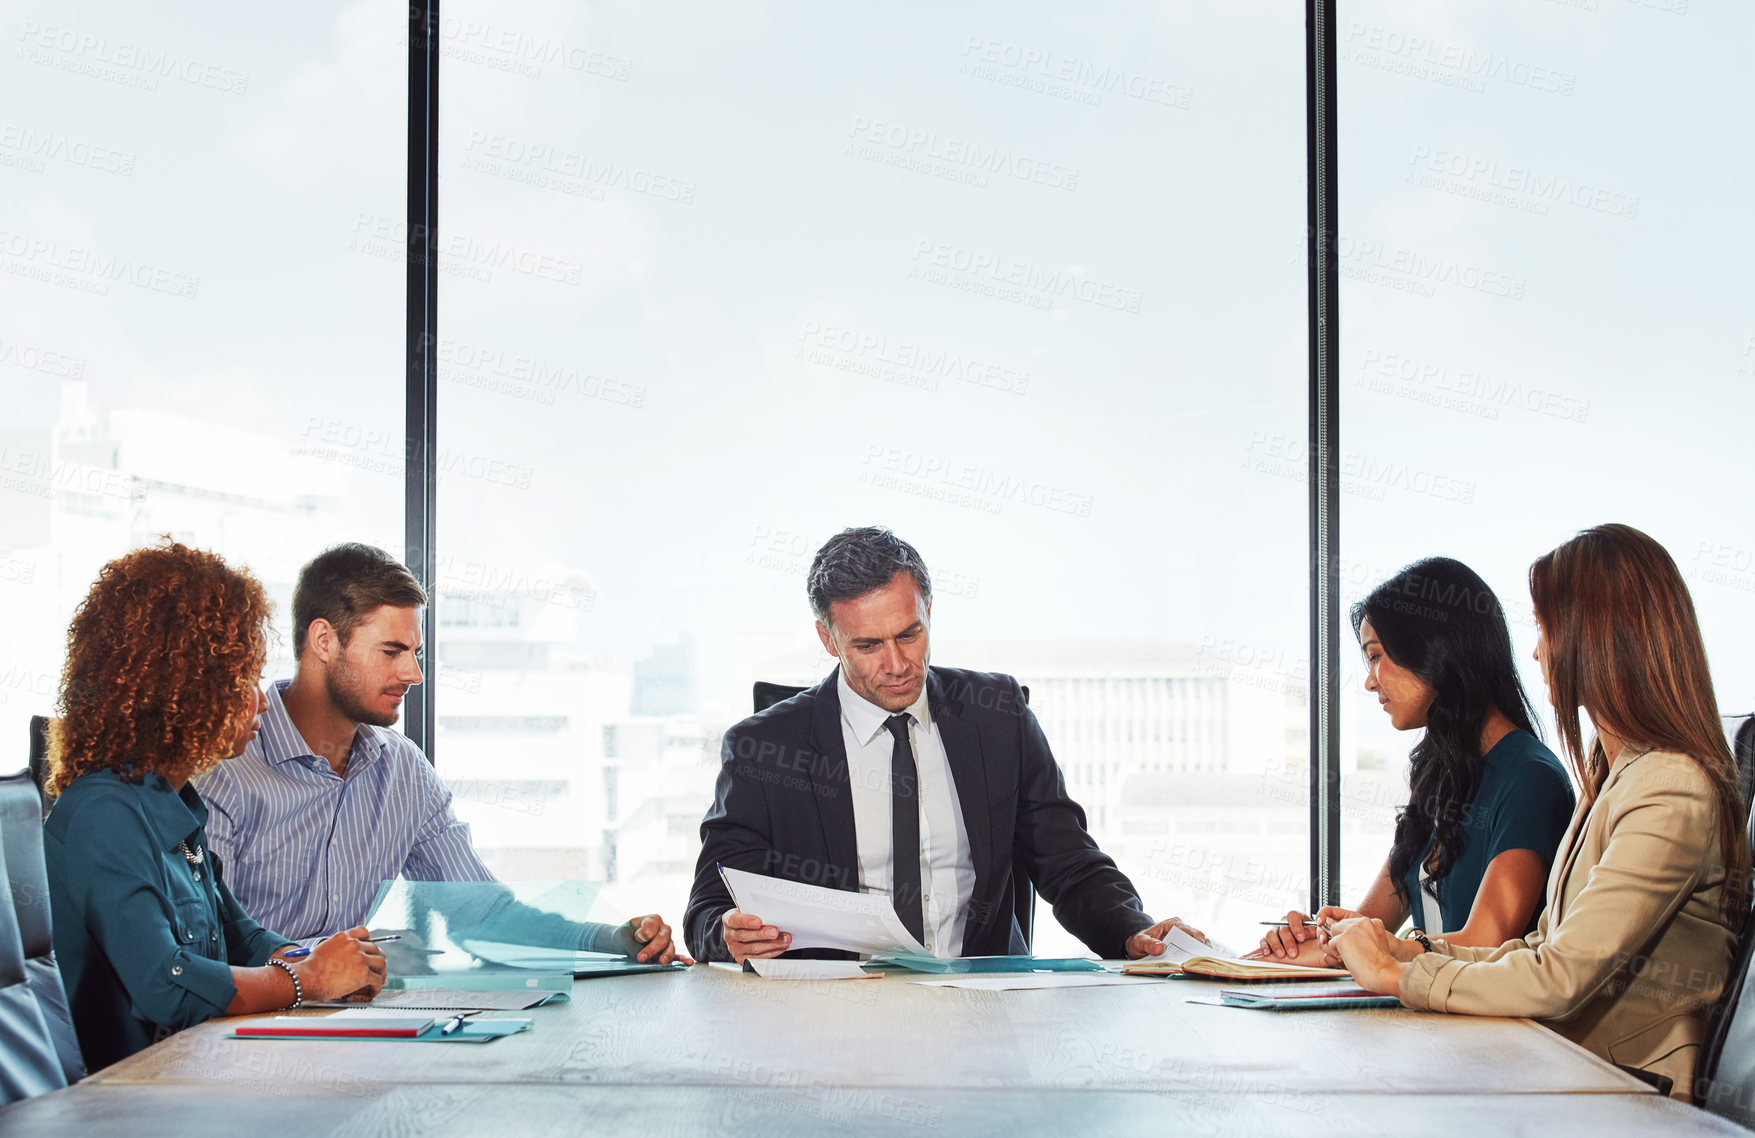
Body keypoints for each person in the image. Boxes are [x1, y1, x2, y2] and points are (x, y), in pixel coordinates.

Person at [1326, 524, 1750, 1101]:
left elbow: (1560, 977)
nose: (1536, 650)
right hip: (1569, 1069)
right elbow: (1541, 946)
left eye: (1547, 629)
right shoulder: (1614, 775)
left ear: (1597, 636)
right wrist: (1403, 948)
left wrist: (1395, 975)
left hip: (1628, 1095)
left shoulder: (1668, 788)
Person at [684, 526, 1191, 963]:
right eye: (867, 645)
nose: (898, 664)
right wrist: (728, 934)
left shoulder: (998, 715)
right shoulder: (761, 748)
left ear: (928, 610)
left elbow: (1070, 863)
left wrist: (1130, 931)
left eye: (909, 634)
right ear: (828, 639)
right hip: (831, 1015)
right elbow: (709, 909)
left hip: (979, 1008)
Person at [197, 543, 686, 965]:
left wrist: (611, 939)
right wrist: (336, 961)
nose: (414, 674)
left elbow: (484, 917)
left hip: (352, 1031)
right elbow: (210, 948)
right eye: (391, 652)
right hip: (245, 1036)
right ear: (324, 640)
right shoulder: (223, 767)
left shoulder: (403, 770)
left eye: (416, 653)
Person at [44, 542, 385, 1071]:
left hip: (191, 1074)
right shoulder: (103, 814)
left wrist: (320, 962)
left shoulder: (172, 802)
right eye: (243, 679)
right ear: (183, 686)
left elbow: (238, 935)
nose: (263, 700)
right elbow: (168, 983)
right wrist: (309, 980)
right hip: (128, 1103)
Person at [1259, 558, 1574, 963]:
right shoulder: (1440, 776)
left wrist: (1368, 943)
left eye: (1375, 657)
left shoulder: (1531, 779)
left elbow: (1489, 941)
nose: (1371, 680)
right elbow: (1369, 929)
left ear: (1433, 648)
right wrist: (1297, 945)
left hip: (1491, 1023)